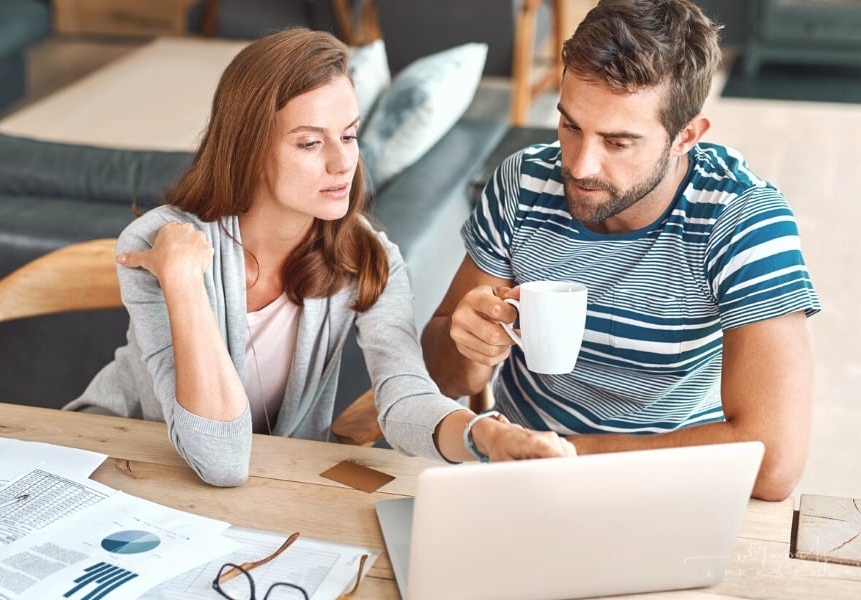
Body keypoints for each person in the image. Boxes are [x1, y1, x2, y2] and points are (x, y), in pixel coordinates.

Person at [66, 27, 574, 487]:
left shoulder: (366, 256)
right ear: (247, 148)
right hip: (111, 463)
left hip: (259, 485)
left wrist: (486, 438)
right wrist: (180, 279)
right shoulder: (159, 244)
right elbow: (219, 458)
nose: (342, 163)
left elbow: (404, 397)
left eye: (349, 135)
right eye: (310, 143)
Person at [421, 0, 821, 502]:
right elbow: (442, 374)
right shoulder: (522, 183)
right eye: (570, 126)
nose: (580, 166)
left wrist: (566, 456)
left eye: (618, 142)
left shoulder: (743, 220)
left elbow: (773, 463)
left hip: (670, 479)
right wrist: (470, 348)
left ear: (686, 137)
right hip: (519, 472)